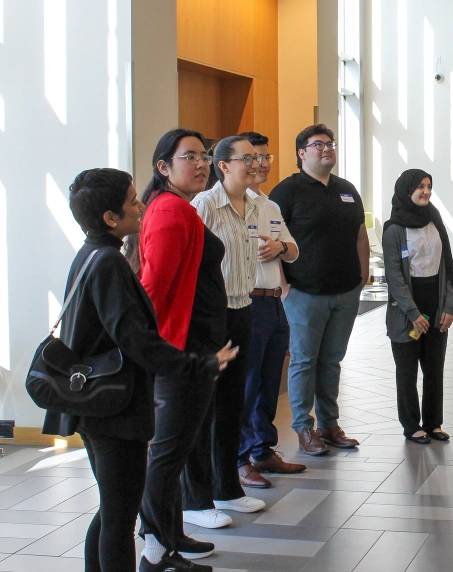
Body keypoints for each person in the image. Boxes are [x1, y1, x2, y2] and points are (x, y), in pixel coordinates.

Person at [41, 168, 237, 572]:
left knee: (112, 509)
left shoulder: (89, 254)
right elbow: (135, 339)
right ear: (110, 218)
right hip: (113, 409)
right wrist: (196, 363)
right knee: (119, 515)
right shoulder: (109, 263)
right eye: (132, 202)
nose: (142, 205)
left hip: (95, 405)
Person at [137, 128, 232, 565]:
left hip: (191, 346)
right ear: (164, 167)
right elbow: (153, 289)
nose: (201, 164)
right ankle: (156, 544)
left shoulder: (176, 207)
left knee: (179, 446)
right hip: (181, 350)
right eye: (189, 156)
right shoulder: (171, 212)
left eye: (205, 155)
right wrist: (163, 354)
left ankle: (171, 532)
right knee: (169, 450)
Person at [269, 124, 367, 454]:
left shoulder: (347, 189)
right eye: (318, 144)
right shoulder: (287, 192)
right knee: (304, 361)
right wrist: (284, 287)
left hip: (345, 291)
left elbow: (360, 235)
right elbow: (272, 242)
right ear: (301, 153)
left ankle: (329, 424)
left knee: (331, 361)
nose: (327, 149)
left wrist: (362, 277)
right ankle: (303, 427)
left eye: (330, 144)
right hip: (304, 293)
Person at [188, 136, 272, 506]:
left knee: (233, 404)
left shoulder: (254, 206)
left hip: (243, 308)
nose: (256, 164)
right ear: (223, 166)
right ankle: (199, 498)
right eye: (247, 159)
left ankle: (227, 489)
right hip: (211, 315)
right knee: (206, 408)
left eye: (258, 157)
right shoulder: (204, 205)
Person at [235, 131, 305, 478]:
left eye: (266, 157)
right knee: (247, 385)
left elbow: (292, 249)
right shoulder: (224, 204)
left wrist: (279, 248)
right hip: (245, 302)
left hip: (275, 302)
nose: (261, 164)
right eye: (253, 158)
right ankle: (240, 458)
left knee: (268, 383)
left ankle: (263, 451)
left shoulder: (270, 205)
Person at [383, 169, 453, 443]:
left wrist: (450, 305)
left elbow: (448, 266)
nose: (425, 191)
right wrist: (413, 314)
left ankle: (434, 424)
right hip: (406, 311)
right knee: (407, 371)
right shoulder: (393, 229)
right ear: (406, 190)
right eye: (420, 187)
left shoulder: (434, 219)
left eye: (429, 186)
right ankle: (412, 426)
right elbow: (394, 277)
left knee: (434, 368)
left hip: (435, 303)